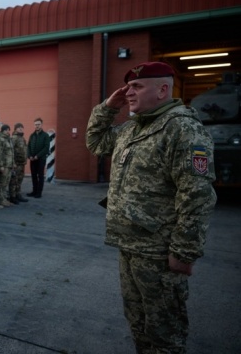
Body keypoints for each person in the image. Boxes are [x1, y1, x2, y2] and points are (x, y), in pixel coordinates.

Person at [86, 61, 217, 354]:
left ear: (162, 90)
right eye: (128, 87)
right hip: (129, 244)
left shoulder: (183, 129)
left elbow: (197, 195)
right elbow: (96, 143)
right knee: (138, 323)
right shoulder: (133, 127)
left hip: (159, 251)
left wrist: (184, 252)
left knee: (164, 333)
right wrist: (108, 107)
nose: (129, 93)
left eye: (137, 87)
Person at [26, 117, 50, 198]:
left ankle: (39, 192)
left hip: (41, 159)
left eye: (38, 124)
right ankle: (34, 191)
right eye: (36, 124)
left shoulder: (45, 135)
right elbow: (28, 146)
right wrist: (29, 156)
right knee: (33, 175)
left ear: (41, 125)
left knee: (40, 175)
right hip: (32, 159)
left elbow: (46, 148)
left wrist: (37, 156)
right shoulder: (32, 135)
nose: (37, 126)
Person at [9, 123, 28, 204]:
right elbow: (11, 151)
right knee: (14, 180)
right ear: (15, 129)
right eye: (18, 128)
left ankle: (18, 194)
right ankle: (12, 196)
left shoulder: (22, 138)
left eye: (21, 127)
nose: (20, 129)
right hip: (16, 163)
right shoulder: (14, 138)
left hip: (22, 163)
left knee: (20, 179)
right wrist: (13, 162)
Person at [0, 124, 14, 207]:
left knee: (6, 182)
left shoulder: (8, 139)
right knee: (1, 183)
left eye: (8, 130)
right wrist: (1, 165)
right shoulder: (1, 139)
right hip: (5, 165)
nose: (7, 131)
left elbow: (11, 153)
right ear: (2, 130)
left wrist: (13, 163)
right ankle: (0, 199)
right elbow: (0, 153)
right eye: (6, 130)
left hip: (9, 164)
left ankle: (4, 198)